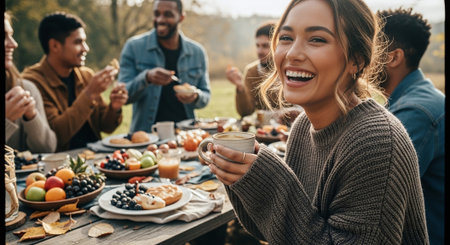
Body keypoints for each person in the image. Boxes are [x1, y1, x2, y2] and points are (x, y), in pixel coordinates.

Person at [207, 0, 428, 244]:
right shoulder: (303, 126)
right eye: (286, 38)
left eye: (317, 39)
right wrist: (243, 177)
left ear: (356, 60)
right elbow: (283, 231)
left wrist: (270, 177)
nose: (292, 54)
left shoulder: (376, 141)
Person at [377, 8, 444, 245]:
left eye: (368, 48)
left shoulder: (416, 113)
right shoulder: (411, 98)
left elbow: (372, 192)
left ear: (393, 57)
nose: (359, 57)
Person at [22, 12, 128, 151]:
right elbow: (55, 136)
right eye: (78, 42)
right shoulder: (32, 83)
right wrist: (89, 94)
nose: (86, 48)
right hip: (59, 166)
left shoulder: (86, 75)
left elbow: (106, 127)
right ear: (54, 46)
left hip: (95, 158)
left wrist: (114, 107)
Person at [118, 0, 211, 133]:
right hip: (146, 137)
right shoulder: (133, 47)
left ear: (181, 17)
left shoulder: (197, 52)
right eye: (157, 14)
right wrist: (146, 78)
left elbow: (206, 95)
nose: (160, 19)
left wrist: (195, 96)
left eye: (168, 15)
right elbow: (123, 95)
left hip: (186, 136)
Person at [5, 12, 57, 153]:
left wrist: (32, 116)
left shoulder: (26, 88)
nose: (13, 44)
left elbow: (48, 149)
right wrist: (7, 119)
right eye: (4, 36)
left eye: (11, 35)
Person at [226, 21, 278, 118]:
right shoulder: (252, 71)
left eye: (265, 46)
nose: (259, 51)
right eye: (257, 46)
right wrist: (240, 87)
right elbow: (245, 112)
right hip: (264, 131)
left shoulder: (292, 70)